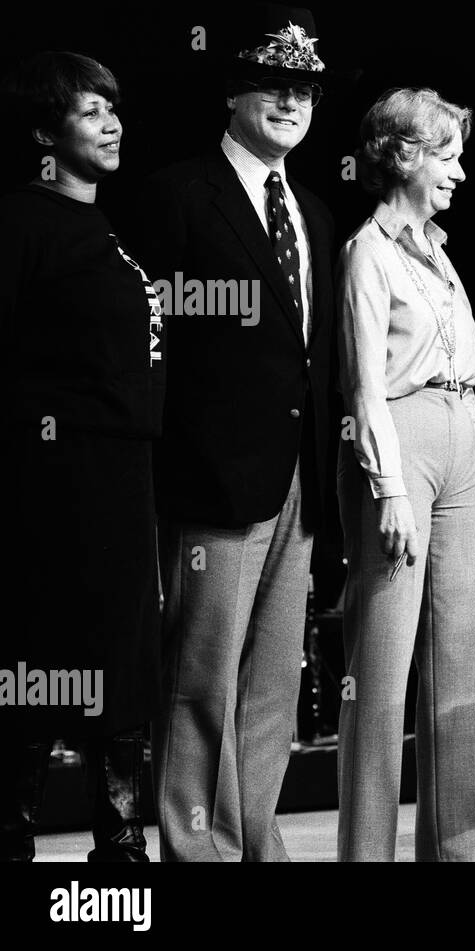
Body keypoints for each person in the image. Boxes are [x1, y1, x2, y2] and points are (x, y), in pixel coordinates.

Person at [130, 7, 338, 861]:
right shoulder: (175, 194)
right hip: (210, 479)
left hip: (298, 479)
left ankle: (255, 836)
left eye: (306, 89)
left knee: (272, 685)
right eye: (275, 84)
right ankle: (194, 845)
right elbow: (150, 346)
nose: (291, 101)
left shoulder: (316, 212)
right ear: (233, 95)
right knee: (200, 678)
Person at [0, 51, 164, 862]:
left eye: (115, 106)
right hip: (51, 488)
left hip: (119, 483)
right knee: (38, 662)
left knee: (122, 666)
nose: (112, 122)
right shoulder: (22, 221)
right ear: (42, 129)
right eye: (89, 109)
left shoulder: (99, 223)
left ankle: (121, 847)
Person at [335, 87, 475, 862]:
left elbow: (458, 364)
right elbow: (365, 385)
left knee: (464, 657)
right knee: (382, 667)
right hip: (396, 443)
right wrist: (389, 486)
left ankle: (462, 849)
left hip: (459, 438)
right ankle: (367, 852)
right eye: (446, 154)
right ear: (401, 155)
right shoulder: (367, 251)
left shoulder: (437, 248)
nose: (459, 171)